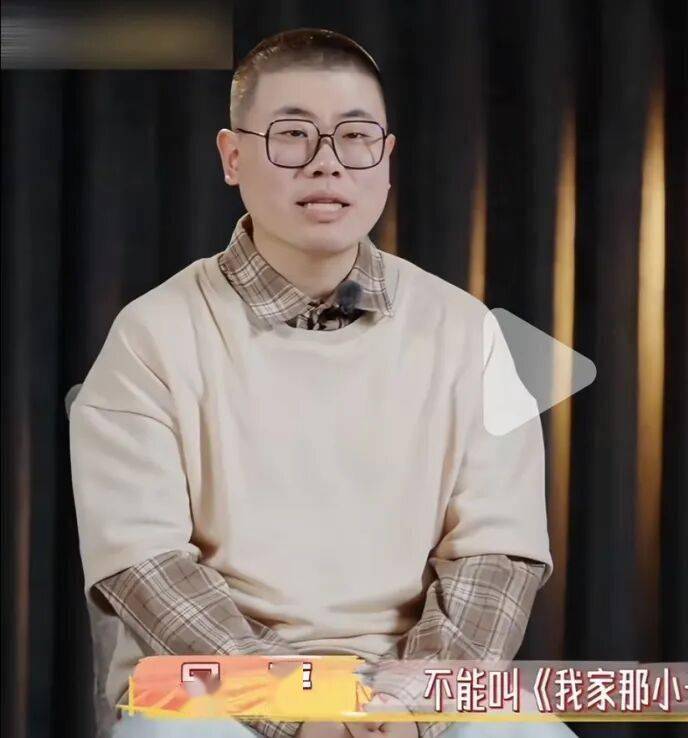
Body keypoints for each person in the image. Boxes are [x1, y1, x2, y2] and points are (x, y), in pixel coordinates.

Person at [69, 28, 573, 738]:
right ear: (232, 156)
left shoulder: (468, 330)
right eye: (293, 136)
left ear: (386, 158)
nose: (327, 163)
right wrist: (296, 706)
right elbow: (146, 570)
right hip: (212, 693)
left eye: (356, 137)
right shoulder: (152, 334)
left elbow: (497, 560)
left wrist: (413, 709)